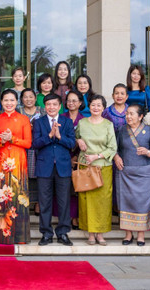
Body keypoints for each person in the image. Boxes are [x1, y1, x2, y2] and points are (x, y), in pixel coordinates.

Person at [32, 93, 76, 246]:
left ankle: (63, 233)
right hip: (44, 167)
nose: (51, 107)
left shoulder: (67, 122)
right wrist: (50, 135)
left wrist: (59, 137)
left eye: (54, 104)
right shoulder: (39, 122)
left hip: (63, 167)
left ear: (59, 106)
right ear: (45, 106)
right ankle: (46, 233)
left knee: (64, 202)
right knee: (44, 202)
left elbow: (71, 143)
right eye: (48, 104)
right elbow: (35, 143)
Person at [114, 104, 150, 247]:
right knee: (125, 202)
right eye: (127, 113)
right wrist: (116, 157)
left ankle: (141, 234)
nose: (128, 116)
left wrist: (148, 152)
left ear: (140, 117)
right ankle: (128, 234)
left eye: (132, 114)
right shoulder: (121, 130)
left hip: (145, 173)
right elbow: (114, 148)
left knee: (143, 204)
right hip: (125, 171)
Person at [0, 90, 33, 244]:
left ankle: (20, 236)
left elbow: (28, 143)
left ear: (17, 102)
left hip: (18, 163)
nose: (9, 103)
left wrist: (12, 139)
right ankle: (1, 236)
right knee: (1, 196)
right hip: (0, 162)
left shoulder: (23, 119)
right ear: (1, 102)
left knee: (18, 196)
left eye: (12, 100)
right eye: (6, 100)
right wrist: (2, 141)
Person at [75, 95, 117, 246]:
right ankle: (90, 234)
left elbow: (113, 147)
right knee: (86, 201)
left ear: (104, 108)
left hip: (103, 166)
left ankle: (100, 233)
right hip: (86, 166)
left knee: (103, 202)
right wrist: (78, 140)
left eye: (99, 105)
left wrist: (97, 156)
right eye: (93, 105)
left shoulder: (108, 125)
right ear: (89, 106)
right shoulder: (82, 123)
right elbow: (74, 137)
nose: (96, 108)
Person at [65, 90, 86, 229]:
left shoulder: (84, 120)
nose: (71, 103)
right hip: (62, 158)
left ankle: (76, 218)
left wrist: (76, 157)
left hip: (79, 158)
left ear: (80, 103)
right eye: (69, 100)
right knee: (64, 190)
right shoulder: (61, 117)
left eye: (74, 101)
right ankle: (66, 217)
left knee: (77, 190)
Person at [18, 88, 40, 213]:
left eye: (31, 96)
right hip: (22, 147)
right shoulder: (18, 111)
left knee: (38, 176)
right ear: (21, 99)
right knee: (22, 176)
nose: (28, 99)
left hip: (38, 148)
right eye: (25, 97)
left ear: (35, 98)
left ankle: (37, 203)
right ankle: (23, 203)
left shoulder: (42, 111)